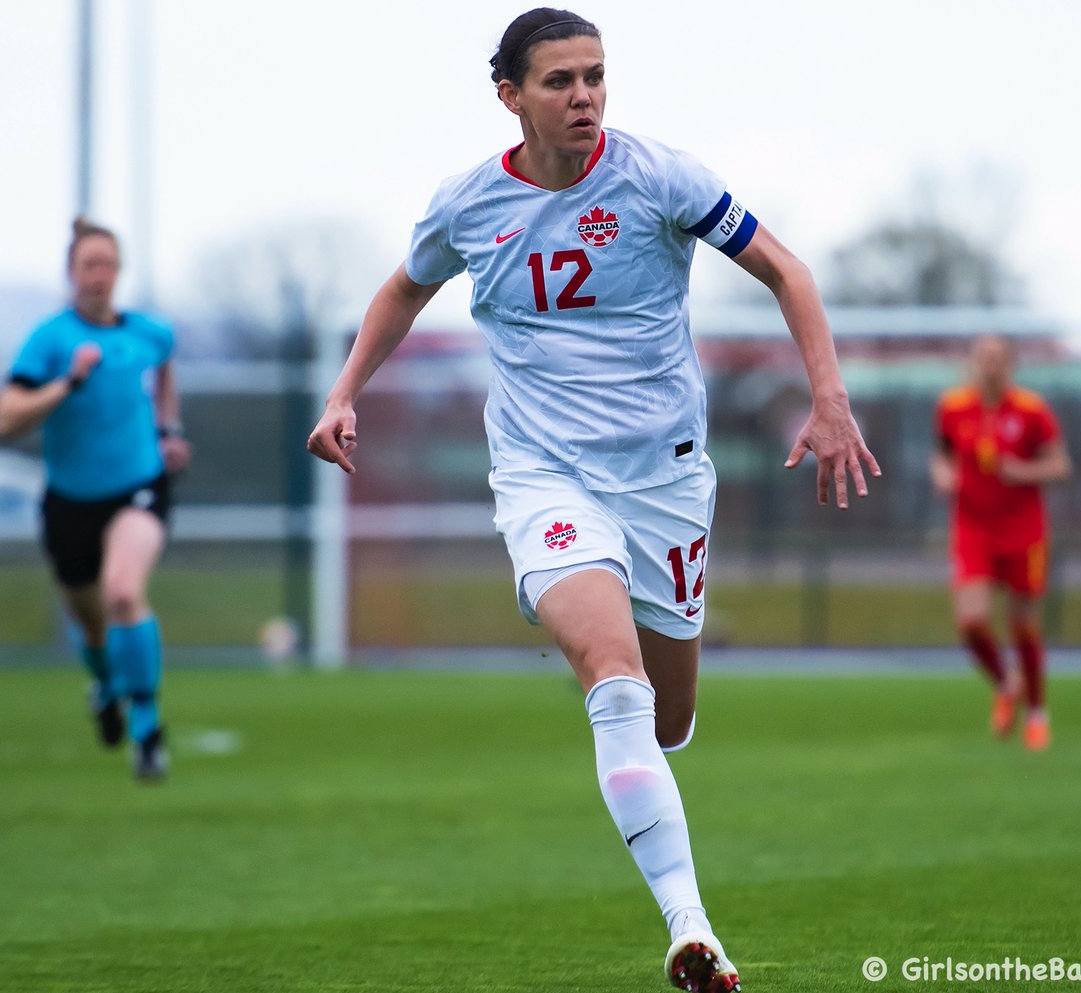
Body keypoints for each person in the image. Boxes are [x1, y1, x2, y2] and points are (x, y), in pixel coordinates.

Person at [308, 8, 878, 990]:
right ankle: (692, 929)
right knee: (614, 680)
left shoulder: (661, 178)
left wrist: (830, 400)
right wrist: (343, 393)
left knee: (666, 716)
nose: (584, 97)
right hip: (545, 475)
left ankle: (657, 772)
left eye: (595, 76)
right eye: (560, 81)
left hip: (665, 479)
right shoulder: (468, 204)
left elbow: (786, 270)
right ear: (510, 96)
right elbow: (404, 288)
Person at [0, 217, 191, 781]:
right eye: (89, 265)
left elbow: (164, 373)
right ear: (71, 273)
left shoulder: (150, 333)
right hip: (70, 501)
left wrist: (169, 431)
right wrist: (68, 384)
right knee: (93, 627)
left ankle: (146, 728)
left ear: (119, 271)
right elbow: (5, 419)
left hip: (140, 486)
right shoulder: (50, 340)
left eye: (107, 264)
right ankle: (106, 684)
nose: (99, 275)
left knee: (124, 591)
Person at [930, 334, 1071, 751]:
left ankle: (1037, 714)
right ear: (974, 363)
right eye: (983, 358)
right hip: (973, 528)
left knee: (1022, 624)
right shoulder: (953, 406)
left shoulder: (1031, 410)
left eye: (998, 358)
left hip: (1023, 530)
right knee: (971, 621)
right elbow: (941, 454)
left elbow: (1061, 465)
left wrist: (1023, 472)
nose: (990, 365)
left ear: (1010, 364)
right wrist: (942, 474)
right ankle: (1007, 683)